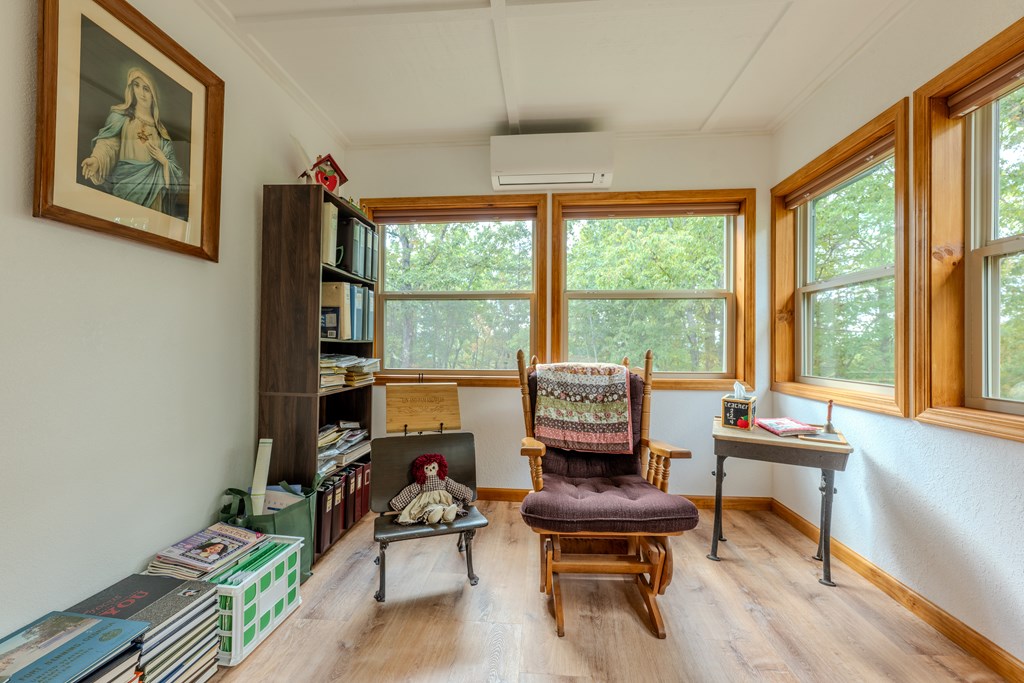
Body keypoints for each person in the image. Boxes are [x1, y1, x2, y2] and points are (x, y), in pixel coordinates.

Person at [80, 67, 184, 216]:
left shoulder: (162, 133)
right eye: (136, 86)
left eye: (146, 88)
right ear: (131, 89)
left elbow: (176, 174)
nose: (141, 93)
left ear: (153, 94)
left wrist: (164, 162)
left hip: (153, 194)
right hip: (125, 188)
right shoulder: (120, 117)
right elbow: (109, 144)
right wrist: (97, 159)